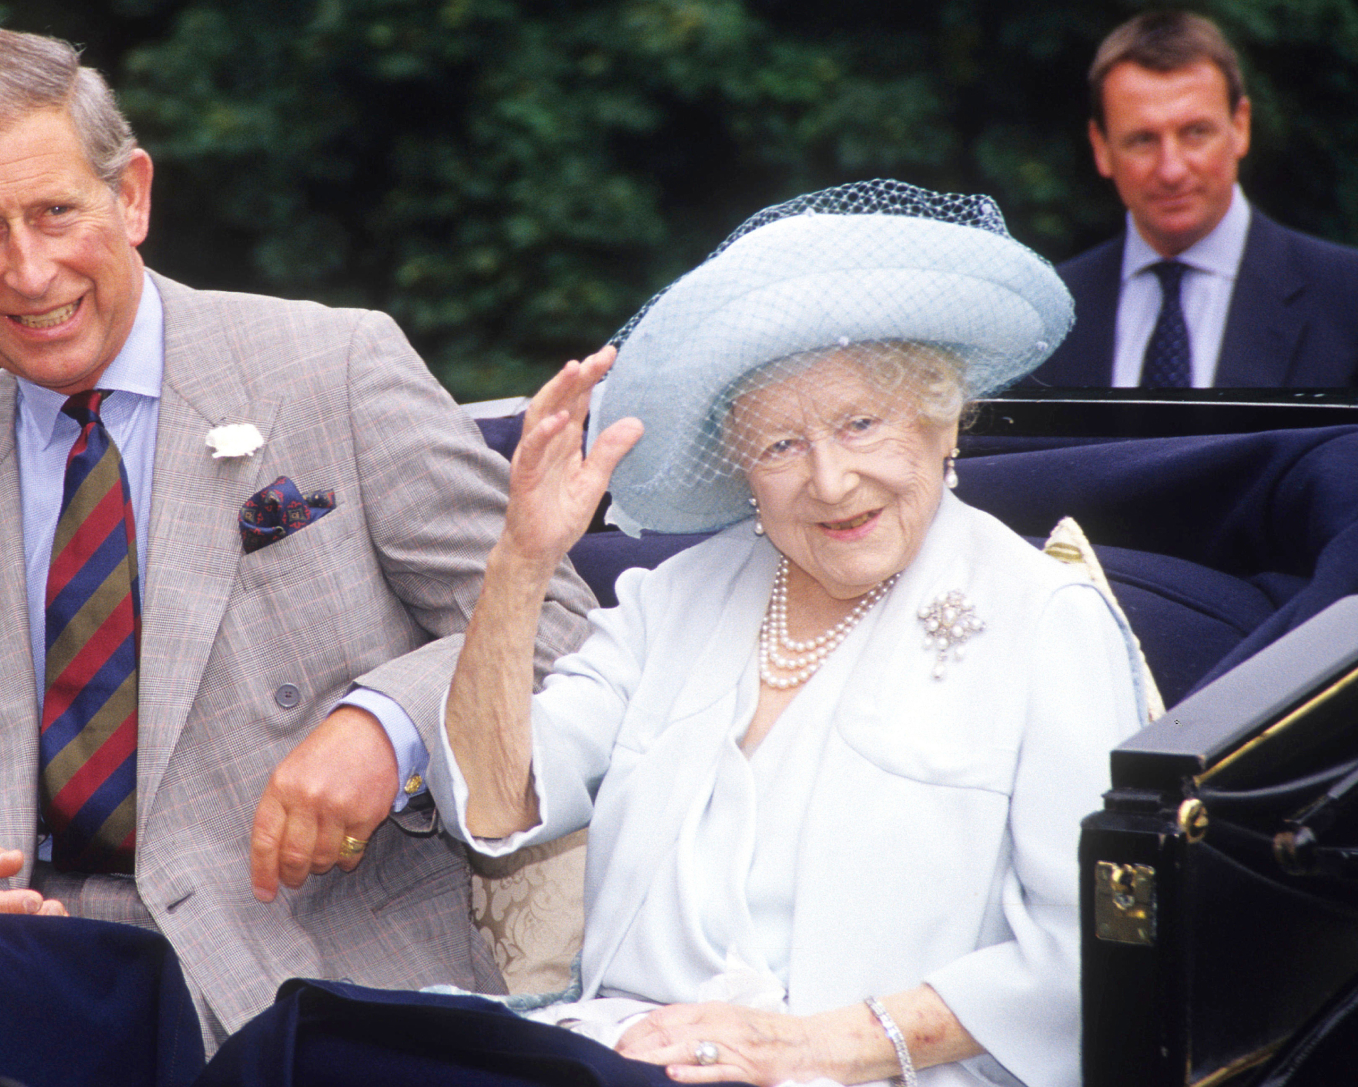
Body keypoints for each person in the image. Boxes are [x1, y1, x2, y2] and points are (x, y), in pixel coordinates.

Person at [198, 180, 1148, 1087]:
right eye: (780, 445)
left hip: (860, 1067)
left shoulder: (1042, 619)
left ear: (943, 422)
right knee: (296, 1046)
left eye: (861, 425)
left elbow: (1090, 950)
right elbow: (495, 807)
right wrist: (520, 562)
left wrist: (804, 1045)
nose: (827, 480)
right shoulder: (673, 602)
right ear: (743, 471)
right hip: (616, 1048)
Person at [0, 26, 594, 1080]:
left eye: (55, 212)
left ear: (130, 195)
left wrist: (386, 725)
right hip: (47, 980)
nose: (29, 268)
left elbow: (558, 623)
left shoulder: (332, 366)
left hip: (319, 966)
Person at [1031, 10, 1358, 389]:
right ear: (1101, 147)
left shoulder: (1346, 298)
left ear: (1240, 126)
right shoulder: (1048, 316)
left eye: (1195, 133)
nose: (1172, 170)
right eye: (1142, 140)